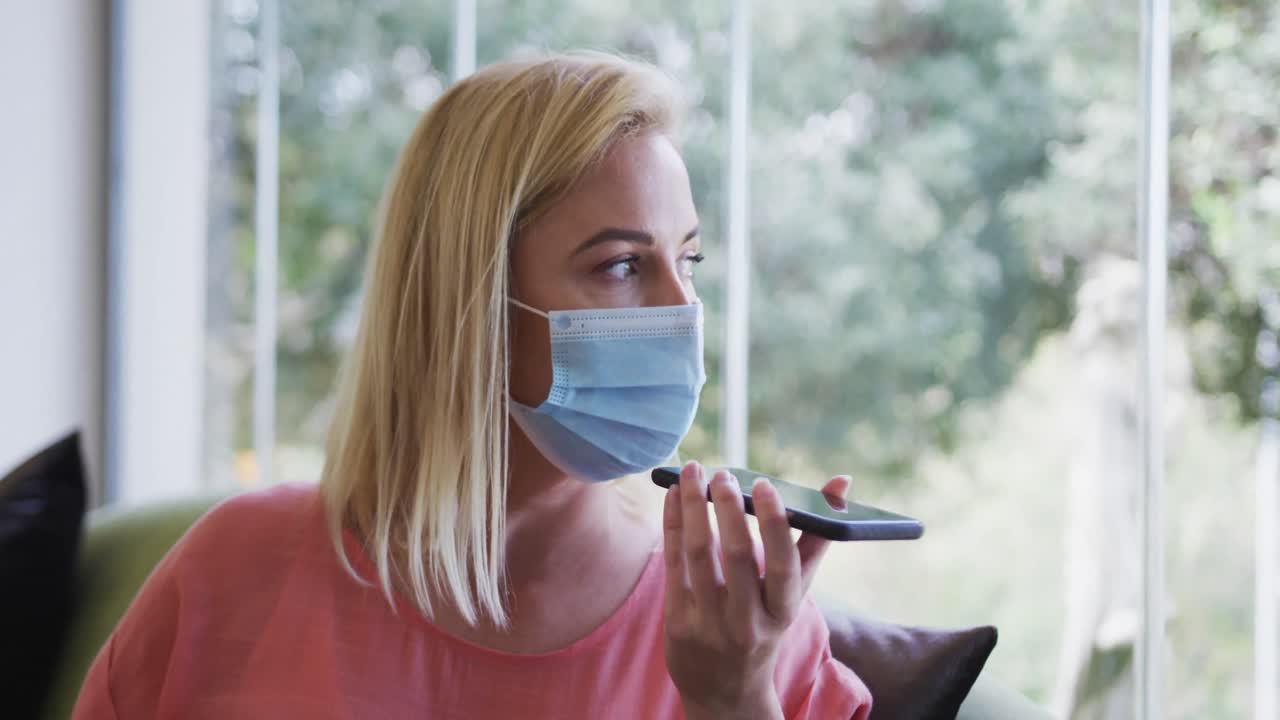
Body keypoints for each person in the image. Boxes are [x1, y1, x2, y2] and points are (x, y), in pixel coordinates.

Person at [73, 52, 872, 720]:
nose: (682, 309)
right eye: (622, 265)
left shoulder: (740, 627)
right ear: (470, 299)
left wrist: (733, 703)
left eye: (687, 260)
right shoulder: (231, 575)